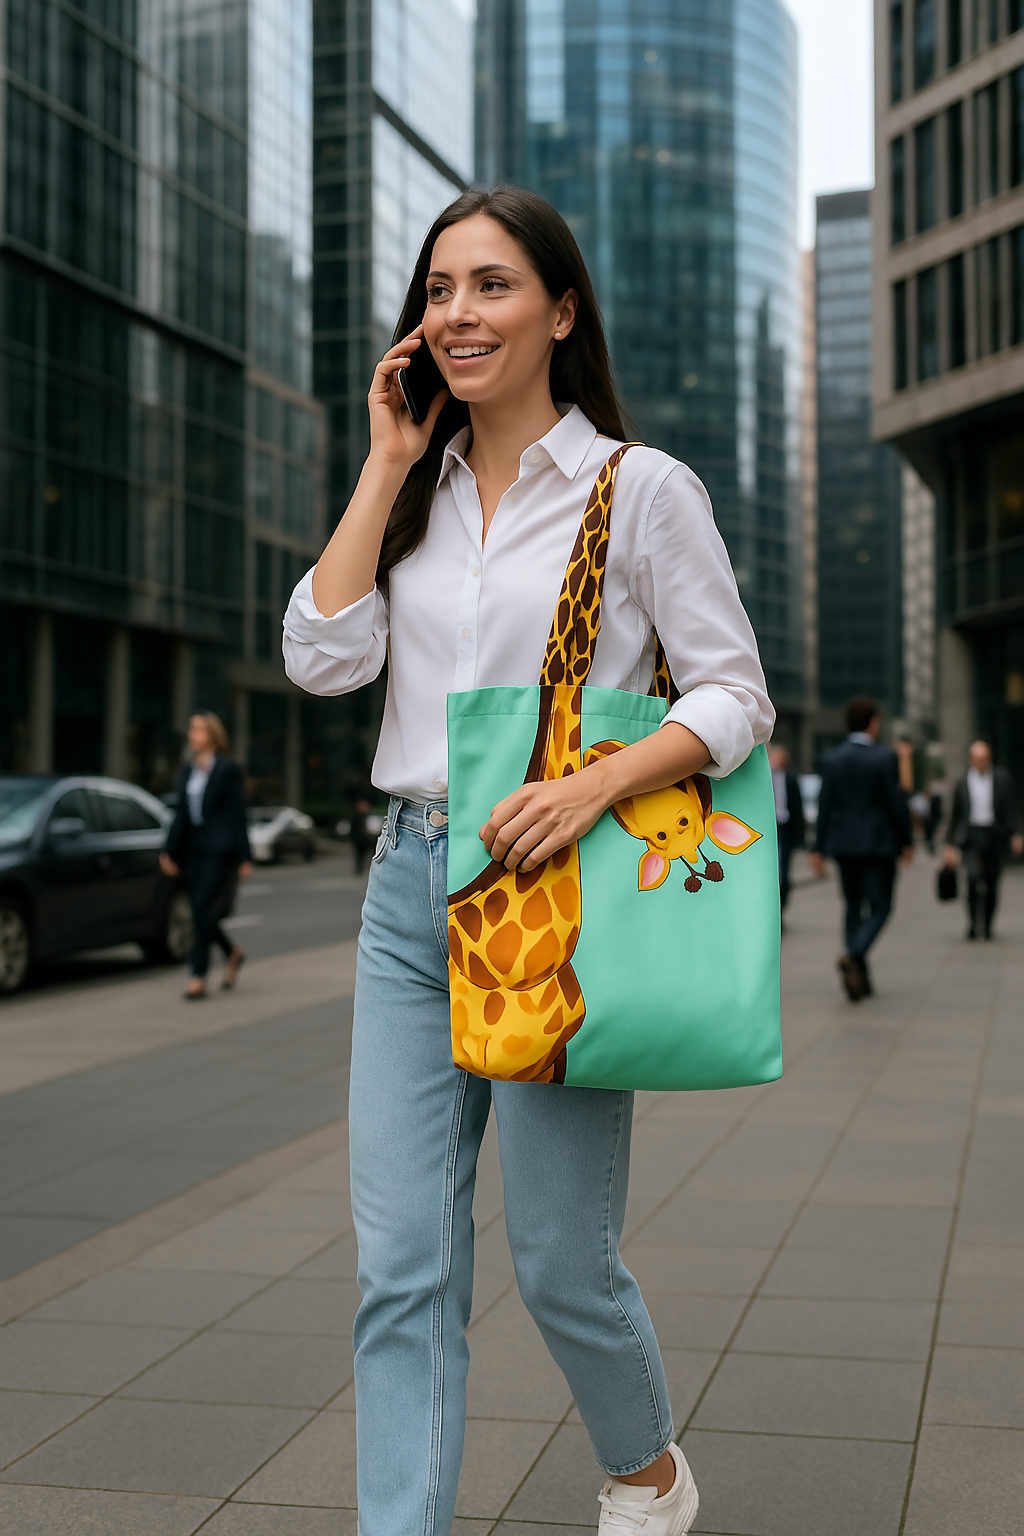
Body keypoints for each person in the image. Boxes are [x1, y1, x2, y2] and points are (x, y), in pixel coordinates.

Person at [282, 185, 772, 1536]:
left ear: (560, 312)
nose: (458, 313)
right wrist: (384, 462)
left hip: (559, 896)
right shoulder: (417, 489)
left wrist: (597, 780)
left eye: (491, 286)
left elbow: (735, 697)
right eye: (438, 290)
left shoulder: (640, 489)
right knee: (401, 1266)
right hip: (408, 893)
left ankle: (648, 1471)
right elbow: (320, 661)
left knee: (561, 1262)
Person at [809, 696, 912, 1001]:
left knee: (852, 905)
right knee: (881, 907)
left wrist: (818, 848)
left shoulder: (833, 759)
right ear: (873, 723)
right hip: (879, 845)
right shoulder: (884, 758)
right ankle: (853, 953)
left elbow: (825, 806)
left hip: (844, 845)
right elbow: (896, 803)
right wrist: (906, 840)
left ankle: (859, 979)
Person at [160, 713, 253, 1000]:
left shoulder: (227, 769)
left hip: (219, 849)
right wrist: (169, 851)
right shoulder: (188, 771)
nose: (193, 734)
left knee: (201, 905)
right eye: (192, 729)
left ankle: (197, 975)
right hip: (194, 849)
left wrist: (245, 856)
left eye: (199, 729)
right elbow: (181, 815)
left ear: (212, 735)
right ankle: (231, 951)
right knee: (200, 910)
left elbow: (237, 813)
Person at [944, 740, 1022, 939]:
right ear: (970, 760)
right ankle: (972, 923)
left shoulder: (1002, 779)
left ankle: (987, 925)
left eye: (984, 758)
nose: (981, 762)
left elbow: (1009, 809)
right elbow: (955, 814)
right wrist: (949, 845)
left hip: (994, 835)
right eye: (977, 758)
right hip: (971, 835)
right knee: (972, 877)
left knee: (992, 881)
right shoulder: (962, 782)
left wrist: (1015, 834)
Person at [768, 742, 805, 920]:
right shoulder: (764, 778)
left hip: (785, 829)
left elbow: (798, 807)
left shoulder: (790, 779)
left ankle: (779, 911)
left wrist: (800, 836)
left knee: (783, 873)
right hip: (769, 828)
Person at [349, 796, 376, 874]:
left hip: (365, 839)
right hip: (358, 839)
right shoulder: (356, 817)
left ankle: (368, 867)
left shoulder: (366, 816)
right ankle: (359, 868)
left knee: (367, 853)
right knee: (359, 854)